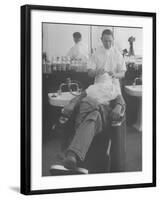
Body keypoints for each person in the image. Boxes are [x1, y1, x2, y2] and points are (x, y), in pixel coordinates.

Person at [50, 29, 126, 173]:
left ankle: (72, 154)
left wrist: (115, 75)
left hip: (99, 108)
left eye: (110, 41)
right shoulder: (94, 83)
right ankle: (75, 158)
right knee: (94, 112)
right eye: (105, 41)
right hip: (92, 104)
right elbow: (86, 81)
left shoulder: (114, 85)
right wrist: (72, 103)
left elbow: (121, 87)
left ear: (113, 40)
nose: (108, 43)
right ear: (101, 39)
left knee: (95, 114)